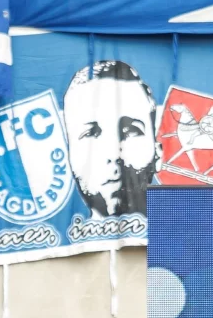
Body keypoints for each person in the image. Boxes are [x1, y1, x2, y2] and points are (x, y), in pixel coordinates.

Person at [62, 60, 159, 218]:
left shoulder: (183, 235)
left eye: (131, 131)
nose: (113, 154)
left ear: (158, 153)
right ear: (69, 157)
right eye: (91, 133)